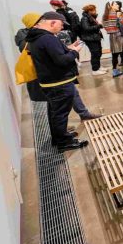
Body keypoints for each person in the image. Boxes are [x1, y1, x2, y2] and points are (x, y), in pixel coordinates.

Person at [25, 11, 89, 151]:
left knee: (55, 113)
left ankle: (59, 137)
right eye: (61, 24)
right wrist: (75, 51)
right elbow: (61, 60)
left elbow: (52, 55)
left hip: (50, 83)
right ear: (52, 22)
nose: (62, 28)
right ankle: (63, 142)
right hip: (58, 83)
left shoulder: (37, 37)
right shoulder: (48, 38)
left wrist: (68, 48)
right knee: (60, 114)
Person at [102, 1, 123, 78]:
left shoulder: (105, 15)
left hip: (112, 37)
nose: (118, 5)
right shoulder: (118, 14)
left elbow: (105, 26)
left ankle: (114, 71)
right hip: (120, 36)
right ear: (111, 6)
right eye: (116, 4)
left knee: (114, 54)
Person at [80, 4, 106, 75]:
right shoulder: (84, 18)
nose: (95, 11)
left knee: (98, 53)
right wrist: (98, 26)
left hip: (95, 38)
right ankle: (95, 70)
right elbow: (86, 28)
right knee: (95, 54)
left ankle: (98, 67)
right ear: (89, 11)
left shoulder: (91, 17)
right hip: (90, 39)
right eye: (94, 10)